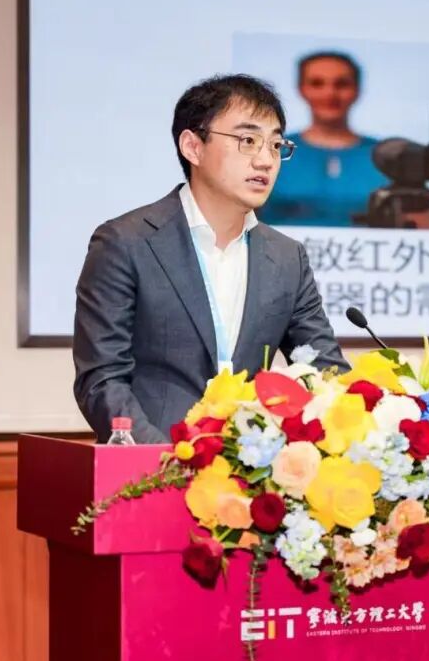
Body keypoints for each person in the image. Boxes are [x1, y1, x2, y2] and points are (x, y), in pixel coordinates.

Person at [73, 74, 350, 443]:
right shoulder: (126, 242)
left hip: (251, 465)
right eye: (248, 141)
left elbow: (324, 369)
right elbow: (103, 378)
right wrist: (167, 462)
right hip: (153, 465)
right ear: (193, 146)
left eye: (275, 145)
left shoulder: (287, 258)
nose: (265, 160)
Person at [259, 52, 387, 228]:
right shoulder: (270, 152)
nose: (330, 93)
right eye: (317, 84)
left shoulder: (387, 158)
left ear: (357, 90)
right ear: (302, 89)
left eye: (342, 84)